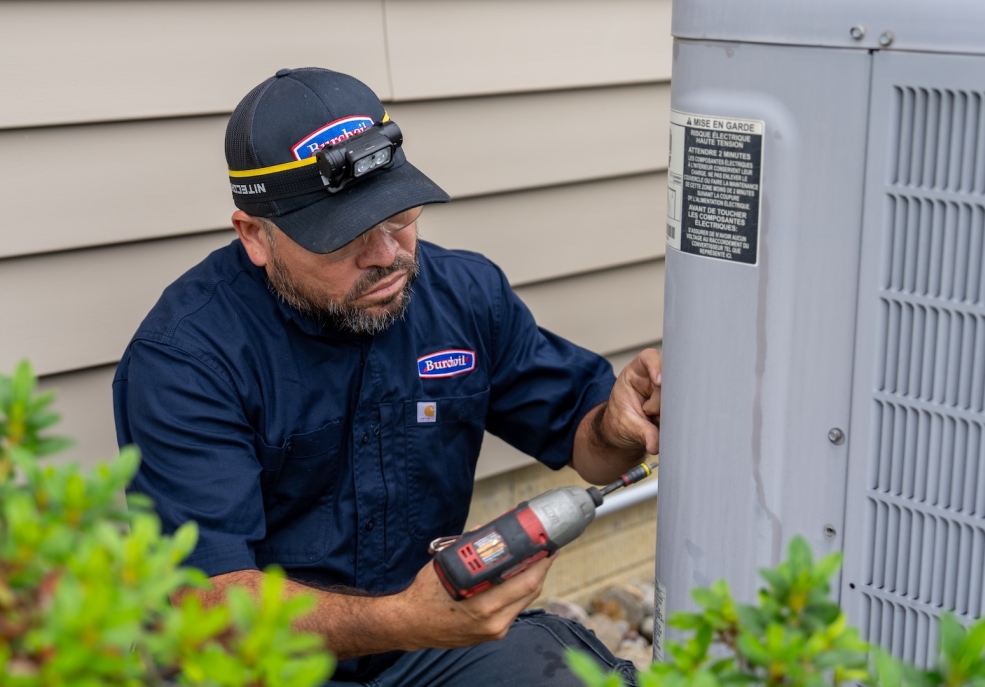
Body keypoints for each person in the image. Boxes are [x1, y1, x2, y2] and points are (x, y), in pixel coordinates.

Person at [113, 67, 662, 686]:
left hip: (421, 653)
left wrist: (618, 424)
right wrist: (403, 618)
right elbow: (206, 605)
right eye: (342, 237)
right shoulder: (188, 358)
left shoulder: (465, 296)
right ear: (256, 237)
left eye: (398, 215)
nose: (387, 255)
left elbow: (588, 450)